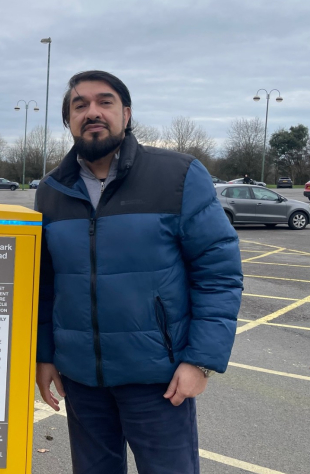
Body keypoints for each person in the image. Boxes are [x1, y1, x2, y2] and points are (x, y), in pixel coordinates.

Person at [34, 70, 242, 473]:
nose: (92, 112)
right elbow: (44, 284)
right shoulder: (52, 191)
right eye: (80, 105)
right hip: (81, 379)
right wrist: (45, 356)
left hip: (160, 380)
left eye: (105, 102)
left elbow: (218, 274)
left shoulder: (178, 176)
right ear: (68, 121)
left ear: (126, 114)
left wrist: (200, 361)